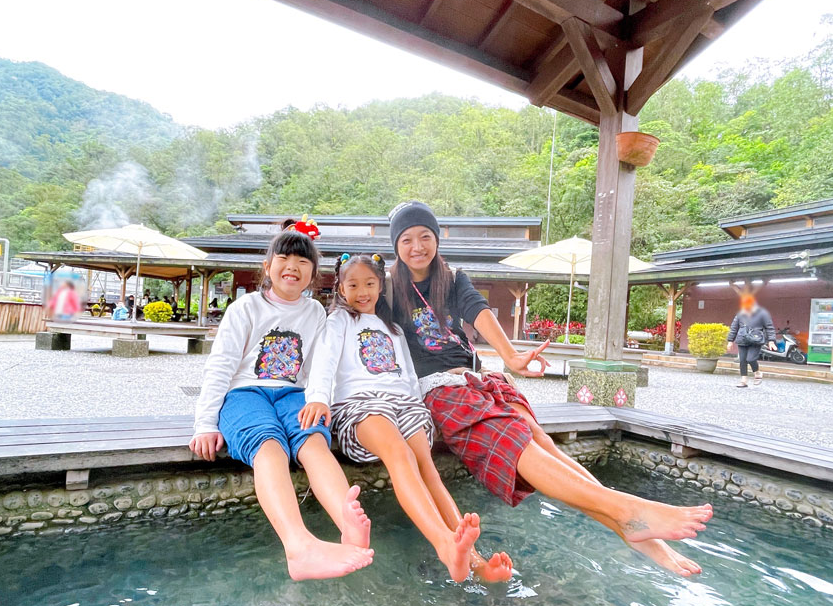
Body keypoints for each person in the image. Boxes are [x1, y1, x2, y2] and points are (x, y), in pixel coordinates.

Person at [387, 202, 712, 577]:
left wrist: (509, 356)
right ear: (396, 244)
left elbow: (477, 311)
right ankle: (629, 512)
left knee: (541, 438)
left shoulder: (453, 277)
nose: (417, 246)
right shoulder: (390, 288)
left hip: (477, 377)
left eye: (425, 236)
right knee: (515, 442)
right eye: (407, 239)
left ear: (437, 239)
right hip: (440, 389)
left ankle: (636, 529)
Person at [302, 252, 513, 584]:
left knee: (426, 466)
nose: (362, 291)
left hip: (404, 405)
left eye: (370, 283)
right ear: (341, 290)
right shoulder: (339, 321)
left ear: (380, 286)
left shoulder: (394, 329)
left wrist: (419, 406)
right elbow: (325, 362)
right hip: (362, 405)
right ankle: (445, 546)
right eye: (353, 285)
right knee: (399, 455)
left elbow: (409, 376)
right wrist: (317, 398)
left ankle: (474, 559)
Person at [189, 223, 373, 581]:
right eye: (284, 257)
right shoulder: (246, 308)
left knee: (314, 442)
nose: (292, 265)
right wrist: (205, 423)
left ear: (313, 273)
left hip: (294, 394)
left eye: (303, 260)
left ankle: (347, 526)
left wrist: (320, 399)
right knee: (270, 446)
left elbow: (321, 364)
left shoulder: (315, 313)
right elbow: (221, 366)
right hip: (245, 393)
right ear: (268, 266)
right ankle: (299, 546)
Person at [727, 291, 775, 387]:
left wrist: (771, 341)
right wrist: (730, 341)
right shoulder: (740, 314)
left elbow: (769, 327)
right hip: (742, 339)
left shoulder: (762, 314)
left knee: (751, 359)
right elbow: (734, 328)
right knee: (742, 360)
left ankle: (757, 372)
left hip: (756, 340)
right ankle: (743, 380)